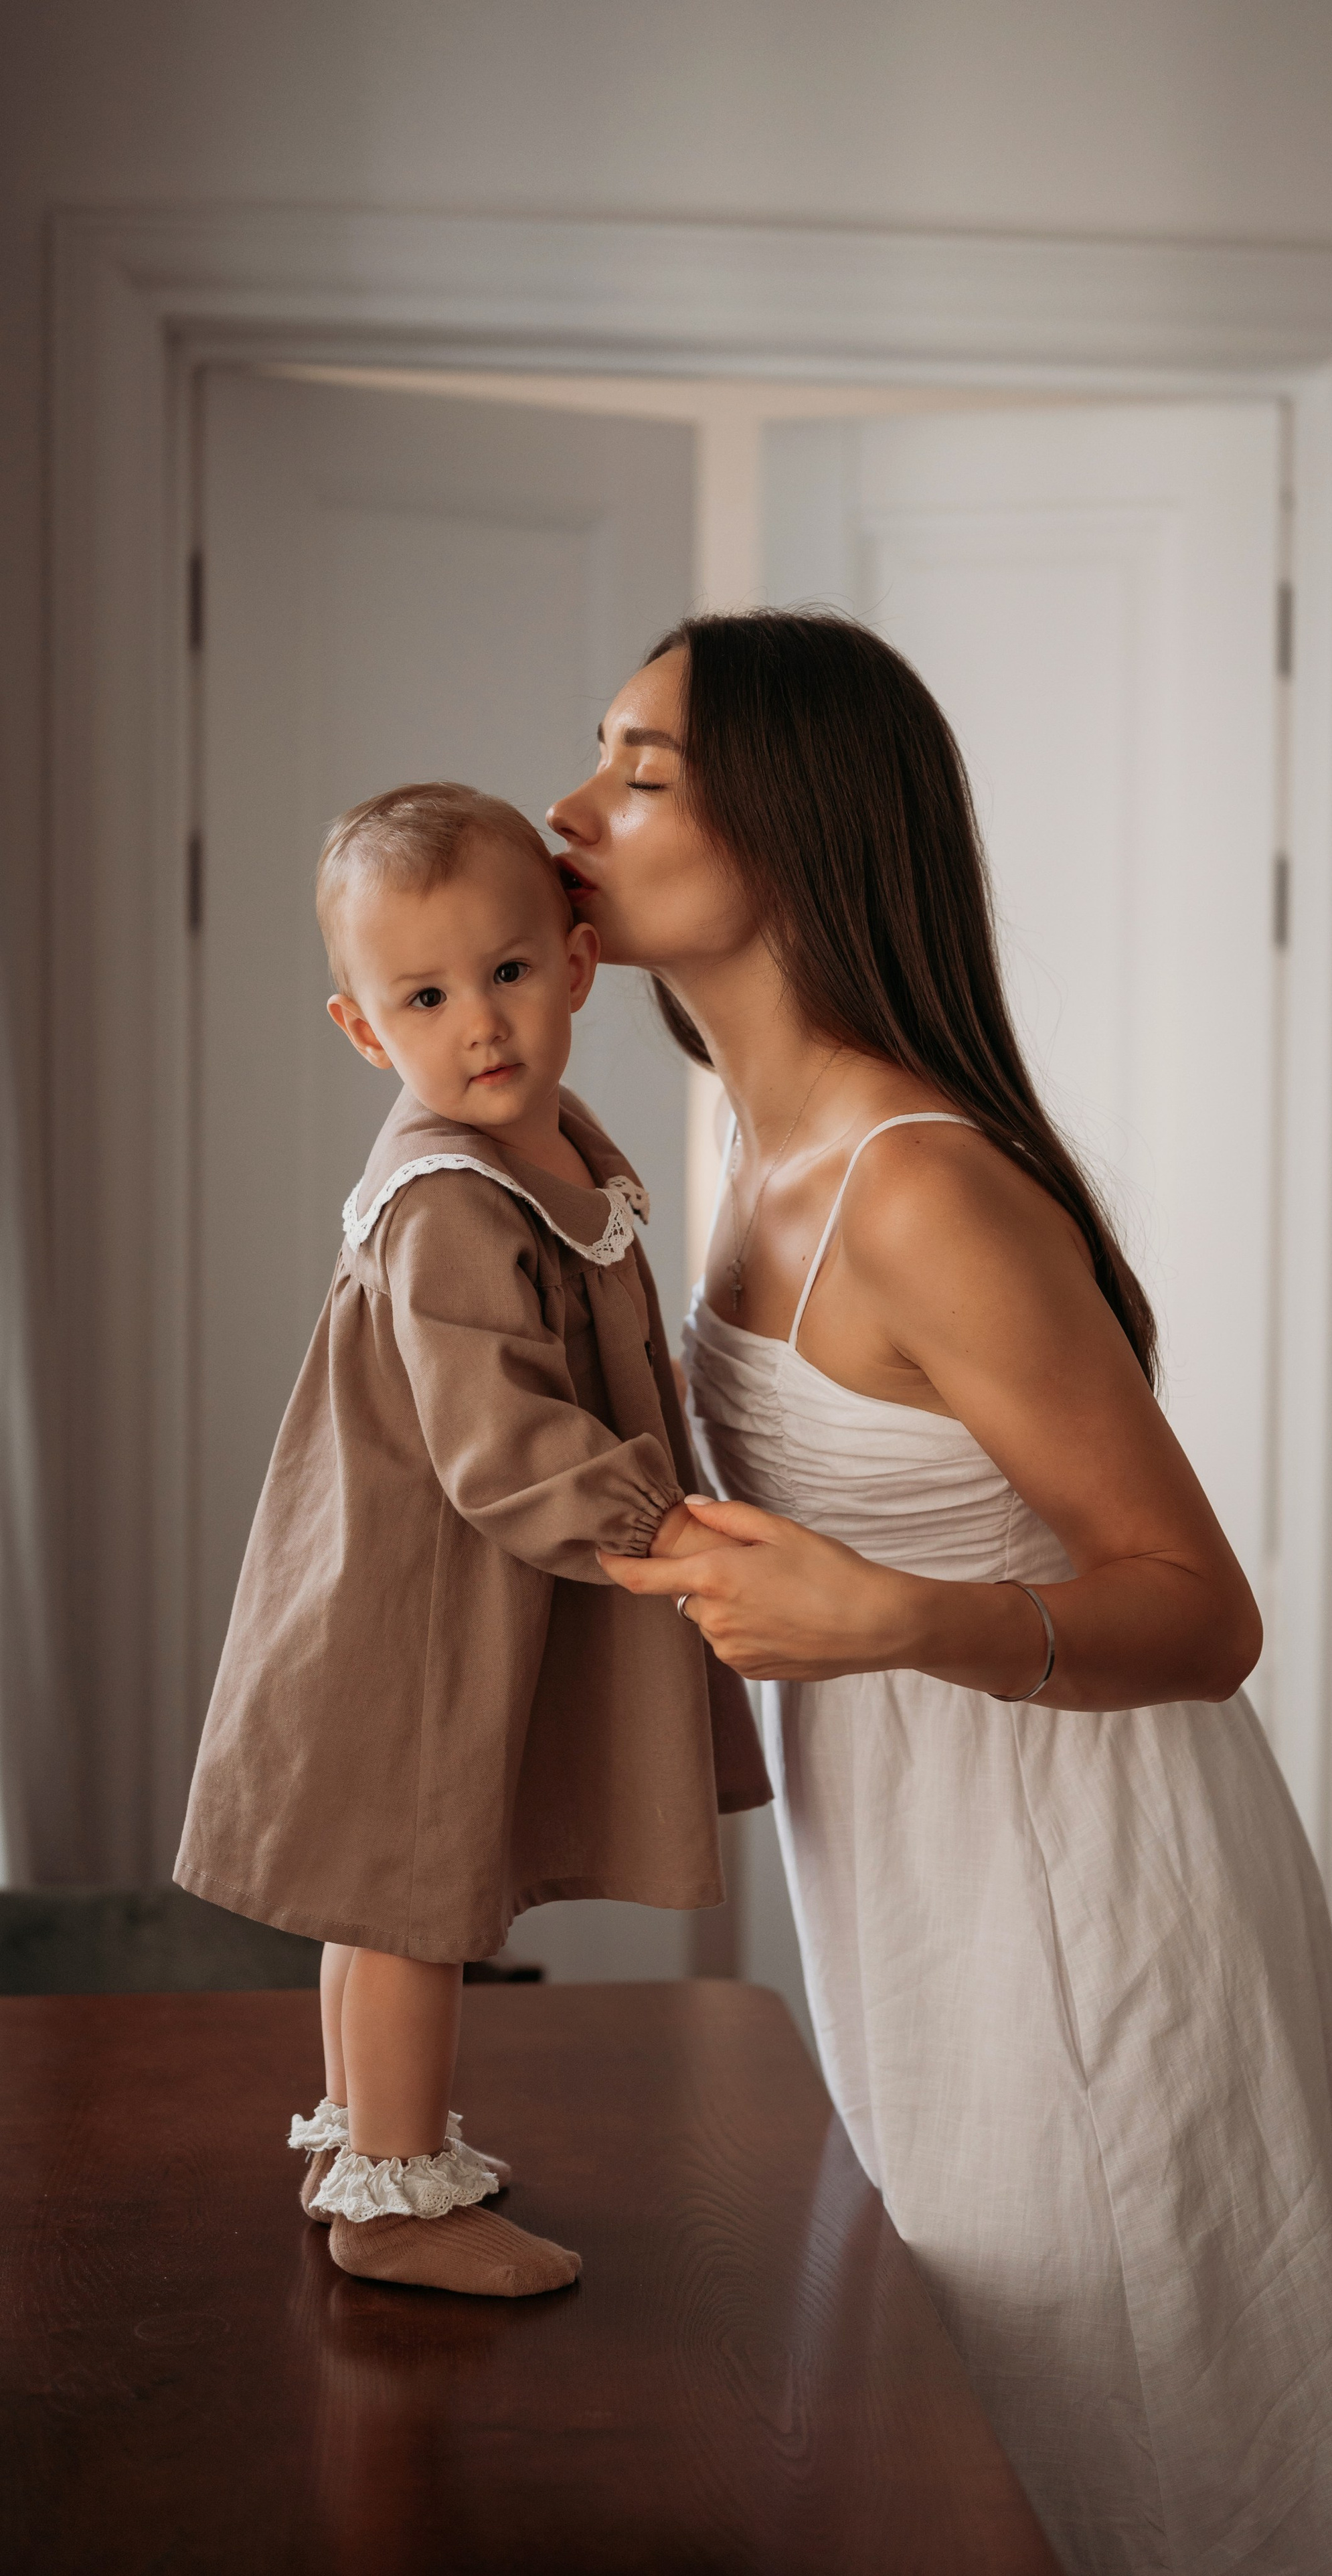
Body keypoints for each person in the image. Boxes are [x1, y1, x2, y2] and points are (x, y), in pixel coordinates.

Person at [552, 615, 1332, 2575]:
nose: (571, 811)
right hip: (917, 1899)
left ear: (796, 827)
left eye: (641, 771)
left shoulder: (919, 1188)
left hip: (1088, 1921)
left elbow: (1201, 1614)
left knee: (1128, 2464)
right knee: (981, 2445)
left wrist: (892, 1620)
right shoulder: (747, 1142)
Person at [175, 781, 768, 2298]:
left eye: (506, 972)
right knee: (408, 1897)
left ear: (577, 962)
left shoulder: (550, 1140)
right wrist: (658, 1523)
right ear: (365, 1030)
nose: (481, 1025)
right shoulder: (449, 1194)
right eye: (425, 998)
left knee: (393, 1883)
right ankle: (395, 2206)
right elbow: (495, 1438)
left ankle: (368, 2145)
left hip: (452, 1584)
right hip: (416, 1602)